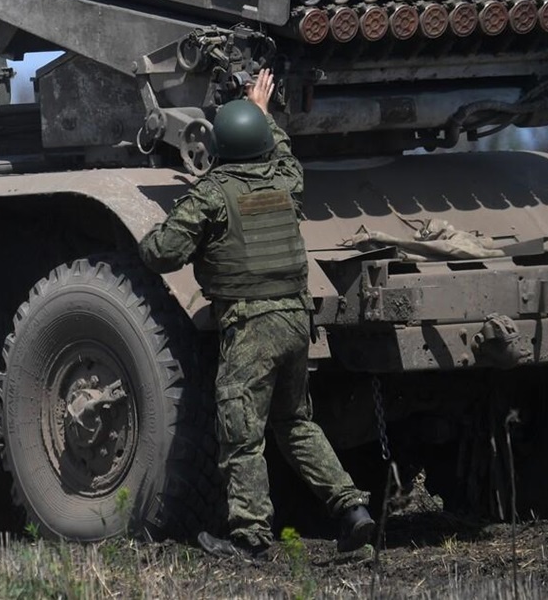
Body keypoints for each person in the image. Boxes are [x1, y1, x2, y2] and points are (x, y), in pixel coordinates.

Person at [138, 68, 374, 560]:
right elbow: (283, 153)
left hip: (250, 327)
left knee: (241, 433)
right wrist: (264, 112)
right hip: (295, 321)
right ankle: (353, 511)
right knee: (295, 423)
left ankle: (248, 537)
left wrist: (149, 234)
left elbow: (163, 252)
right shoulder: (286, 182)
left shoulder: (212, 194)